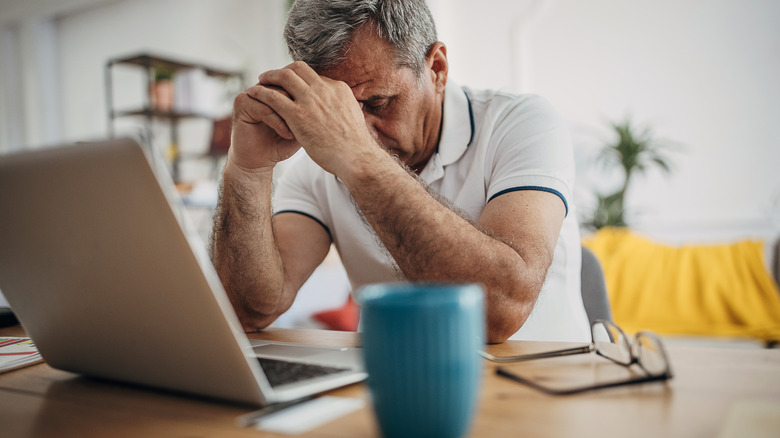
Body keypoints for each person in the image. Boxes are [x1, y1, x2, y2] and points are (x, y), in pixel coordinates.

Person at [210, 0, 590, 343]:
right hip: (389, 386)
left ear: (437, 68)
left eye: (377, 102)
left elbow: (498, 312)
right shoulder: (316, 167)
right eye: (337, 109)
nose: (358, 130)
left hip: (539, 387)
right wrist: (247, 170)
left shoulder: (521, 123)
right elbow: (247, 310)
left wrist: (358, 157)